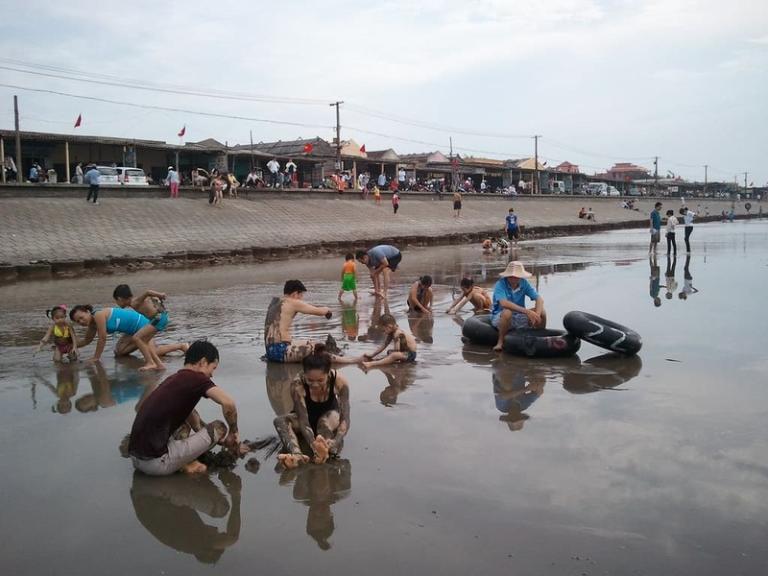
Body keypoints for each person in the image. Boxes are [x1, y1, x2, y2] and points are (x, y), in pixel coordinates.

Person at [128, 341, 242, 476]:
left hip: (136, 459)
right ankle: (183, 465)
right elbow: (228, 403)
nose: (212, 374)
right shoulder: (198, 379)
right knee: (220, 427)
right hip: (156, 463)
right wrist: (233, 432)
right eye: (213, 368)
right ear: (203, 362)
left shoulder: (174, 379)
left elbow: (192, 416)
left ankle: (181, 460)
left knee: (185, 422)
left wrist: (219, 441)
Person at [273, 344, 350, 469]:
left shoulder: (340, 382)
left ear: (328, 373)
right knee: (280, 421)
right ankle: (296, 454)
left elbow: (345, 418)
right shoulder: (297, 385)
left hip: (330, 416)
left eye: (320, 380)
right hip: (306, 418)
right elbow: (303, 421)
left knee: (323, 423)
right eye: (310, 380)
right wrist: (312, 444)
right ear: (304, 374)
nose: (314, 385)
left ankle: (325, 450)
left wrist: (337, 440)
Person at [70, 304, 165, 371]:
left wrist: (96, 357)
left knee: (155, 353)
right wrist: (71, 346)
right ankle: (142, 344)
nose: (81, 321)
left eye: (81, 317)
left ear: (87, 312)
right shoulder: (92, 325)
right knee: (119, 352)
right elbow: (87, 340)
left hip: (143, 325)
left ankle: (179, 346)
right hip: (131, 332)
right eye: (78, 321)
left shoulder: (98, 315)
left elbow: (102, 338)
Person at [264, 280, 333, 363]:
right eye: (301, 295)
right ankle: (345, 360)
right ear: (295, 294)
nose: (301, 298)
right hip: (281, 352)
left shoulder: (274, 302)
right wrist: (328, 309)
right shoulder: (293, 302)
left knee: (308, 342)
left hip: (270, 351)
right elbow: (319, 311)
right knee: (318, 348)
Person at [112, 284, 188, 358]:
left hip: (158, 319)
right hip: (158, 318)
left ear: (119, 299)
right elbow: (149, 300)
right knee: (153, 351)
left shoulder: (134, 302)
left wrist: (160, 295)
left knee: (144, 344)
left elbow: (147, 292)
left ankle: (181, 346)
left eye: (116, 301)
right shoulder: (135, 301)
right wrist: (157, 300)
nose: (117, 304)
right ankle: (180, 346)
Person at [491, 261, 546, 352]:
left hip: (519, 315)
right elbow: (504, 303)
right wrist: (527, 311)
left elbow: (539, 299)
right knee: (507, 312)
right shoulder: (500, 284)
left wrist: (537, 315)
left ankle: (541, 338)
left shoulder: (524, 283)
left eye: (516, 276)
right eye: (511, 276)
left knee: (542, 312)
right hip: (500, 316)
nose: (514, 278)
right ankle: (500, 341)